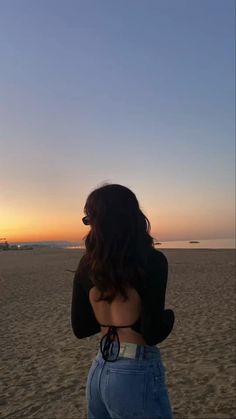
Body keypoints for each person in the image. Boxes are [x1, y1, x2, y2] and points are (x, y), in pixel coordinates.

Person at [71, 184, 175, 419]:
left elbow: (81, 327)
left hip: (99, 368)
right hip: (134, 370)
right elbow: (152, 332)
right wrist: (170, 317)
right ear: (133, 217)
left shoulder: (86, 265)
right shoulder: (152, 260)